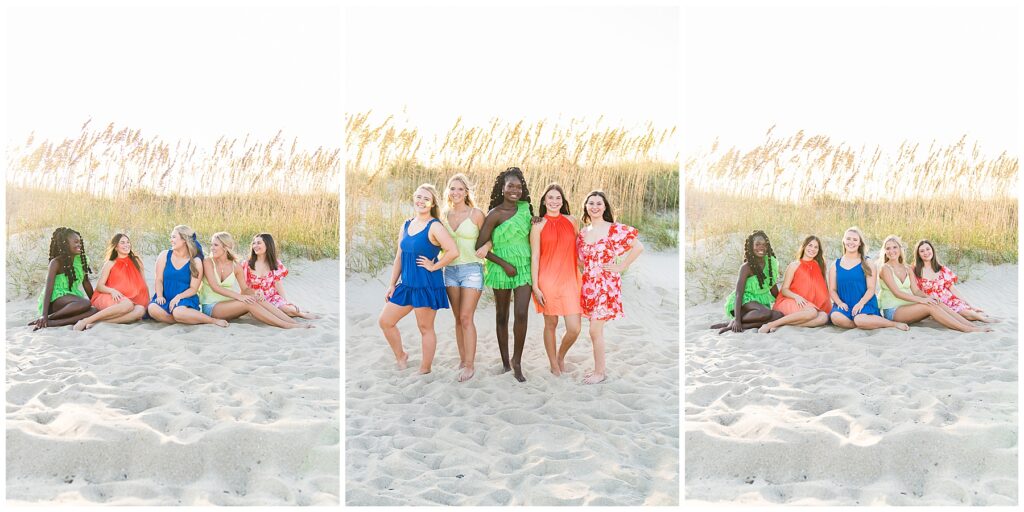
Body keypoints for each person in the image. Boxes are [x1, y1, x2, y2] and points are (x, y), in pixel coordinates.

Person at [378, 184, 459, 374]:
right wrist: (391, 284)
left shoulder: (435, 226)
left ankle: (425, 368)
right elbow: (399, 256)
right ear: (414, 198)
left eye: (426, 199)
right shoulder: (406, 224)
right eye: (419, 197)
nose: (421, 201)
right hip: (406, 285)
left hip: (426, 285)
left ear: (432, 204)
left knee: (425, 327)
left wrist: (434, 266)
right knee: (385, 321)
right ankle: (401, 356)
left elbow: (453, 251)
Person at [577, 190, 644, 384]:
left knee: (594, 330)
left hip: (606, 285)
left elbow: (638, 247)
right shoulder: (583, 233)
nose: (595, 207)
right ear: (586, 207)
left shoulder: (613, 229)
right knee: (595, 330)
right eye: (591, 203)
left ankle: (600, 372)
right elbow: (580, 261)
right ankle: (599, 368)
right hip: (589, 285)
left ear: (605, 207)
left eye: (599, 203)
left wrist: (621, 266)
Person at [477, 167, 534, 382]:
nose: (515, 190)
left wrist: (537, 220)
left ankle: (517, 361)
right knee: (502, 315)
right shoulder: (494, 214)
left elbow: (532, 232)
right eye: (510, 186)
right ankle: (504, 362)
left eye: (519, 187)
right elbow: (479, 245)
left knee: (521, 314)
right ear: (502, 188)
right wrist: (503, 264)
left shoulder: (526, 209)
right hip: (501, 268)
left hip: (524, 266)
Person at [876, 235, 989, 333]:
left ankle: (971, 325)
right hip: (893, 310)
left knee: (935, 302)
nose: (892, 251)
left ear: (900, 249)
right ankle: (965, 329)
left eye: (895, 247)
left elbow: (916, 291)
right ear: (885, 251)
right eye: (888, 248)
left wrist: (929, 297)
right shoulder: (885, 268)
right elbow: (897, 293)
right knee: (929, 306)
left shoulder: (907, 268)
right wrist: (923, 300)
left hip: (908, 307)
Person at [200, 232, 309, 328]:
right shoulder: (208, 262)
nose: (212, 248)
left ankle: (291, 322)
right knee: (248, 303)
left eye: (215, 245)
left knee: (256, 298)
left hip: (228, 305)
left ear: (225, 247)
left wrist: (255, 293)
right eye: (212, 245)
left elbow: (245, 288)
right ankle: (285, 325)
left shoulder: (236, 266)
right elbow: (215, 287)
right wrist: (240, 297)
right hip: (211, 306)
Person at [441, 174, 490, 382]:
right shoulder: (444, 215)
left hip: (472, 269)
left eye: (460, 189)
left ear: (466, 192)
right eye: (452, 189)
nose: (456, 193)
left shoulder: (476, 214)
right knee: (457, 318)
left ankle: (470, 365)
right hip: (450, 271)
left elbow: (491, 238)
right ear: (448, 192)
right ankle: (463, 359)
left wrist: (486, 247)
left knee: (466, 317)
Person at [530, 183, 582, 376]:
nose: (554, 201)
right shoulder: (537, 225)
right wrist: (535, 286)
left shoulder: (572, 220)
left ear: (563, 201)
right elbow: (535, 256)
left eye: (558, 198)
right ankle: (553, 363)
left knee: (574, 328)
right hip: (547, 281)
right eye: (550, 198)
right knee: (550, 324)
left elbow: (580, 251)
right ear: (544, 201)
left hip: (570, 281)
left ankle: (561, 355)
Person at [147, 225, 227, 327]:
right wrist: (159, 295)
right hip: (165, 297)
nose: (171, 240)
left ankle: (212, 320)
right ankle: (182, 319)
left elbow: (193, 289)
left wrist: (178, 297)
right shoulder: (164, 255)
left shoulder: (195, 261)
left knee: (178, 312)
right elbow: (158, 279)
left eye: (174, 237)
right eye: (171, 237)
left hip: (185, 299)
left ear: (184, 240)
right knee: (152, 309)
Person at [828, 227, 906, 331]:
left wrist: (860, 303)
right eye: (848, 239)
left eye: (855, 240)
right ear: (844, 240)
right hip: (844, 304)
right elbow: (832, 290)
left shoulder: (867, 262)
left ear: (860, 243)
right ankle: (861, 323)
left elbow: (871, 288)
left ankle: (891, 324)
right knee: (835, 317)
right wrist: (839, 303)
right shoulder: (835, 265)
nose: (851, 242)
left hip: (865, 303)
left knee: (860, 319)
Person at [73, 233, 148, 330]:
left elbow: (143, 283)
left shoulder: (137, 261)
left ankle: (99, 323)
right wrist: (112, 291)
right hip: (108, 296)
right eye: (122, 243)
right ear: (116, 247)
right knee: (127, 305)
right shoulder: (110, 263)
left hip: (129, 298)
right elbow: (100, 286)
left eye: (128, 242)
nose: (126, 245)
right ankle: (86, 321)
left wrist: (146, 302)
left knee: (140, 310)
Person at [711, 230, 781, 334]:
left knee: (778, 316)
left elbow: (772, 286)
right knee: (765, 313)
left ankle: (735, 324)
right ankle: (736, 321)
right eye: (757, 244)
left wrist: (781, 302)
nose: (761, 247)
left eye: (764, 244)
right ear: (751, 247)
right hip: (743, 302)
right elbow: (739, 294)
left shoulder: (771, 263)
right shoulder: (746, 268)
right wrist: (737, 319)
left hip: (759, 305)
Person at [912, 239, 998, 323]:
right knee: (960, 316)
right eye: (922, 251)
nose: (926, 253)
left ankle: (982, 318)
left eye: (928, 249)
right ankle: (978, 316)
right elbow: (916, 291)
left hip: (949, 300)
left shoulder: (942, 269)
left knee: (966, 313)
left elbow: (953, 289)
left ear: (932, 250)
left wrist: (969, 304)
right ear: (918, 254)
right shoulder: (915, 271)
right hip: (933, 303)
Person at [758, 235, 831, 333]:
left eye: (816, 247)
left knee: (823, 317)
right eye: (810, 245)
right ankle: (770, 324)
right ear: (804, 246)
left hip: (806, 304)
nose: (812, 249)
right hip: (790, 300)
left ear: (819, 250)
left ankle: (783, 325)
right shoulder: (794, 265)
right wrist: (796, 297)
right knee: (812, 313)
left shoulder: (818, 266)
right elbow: (784, 289)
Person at [31, 227, 96, 330]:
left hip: (71, 301)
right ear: (65, 244)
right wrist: (44, 314)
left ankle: (52, 323)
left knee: (94, 311)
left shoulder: (82, 260)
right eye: (75, 242)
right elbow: (49, 289)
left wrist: (95, 301)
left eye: (80, 242)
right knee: (85, 303)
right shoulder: (56, 262)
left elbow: (86, 282)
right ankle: (47, 318)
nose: (79, 245)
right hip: (55, 300)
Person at [243, 233, 317, 320]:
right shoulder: (246, 264)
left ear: (268, 245)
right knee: (269, 313)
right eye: (254, 243)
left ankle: (301, 314)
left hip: (272, 297)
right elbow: (244, 287)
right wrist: (254, 292)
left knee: (288, 310)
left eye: (259, 243)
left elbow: (278, 284)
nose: (255, 246)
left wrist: (285, 302)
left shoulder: (275, 263)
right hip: (256, 298)